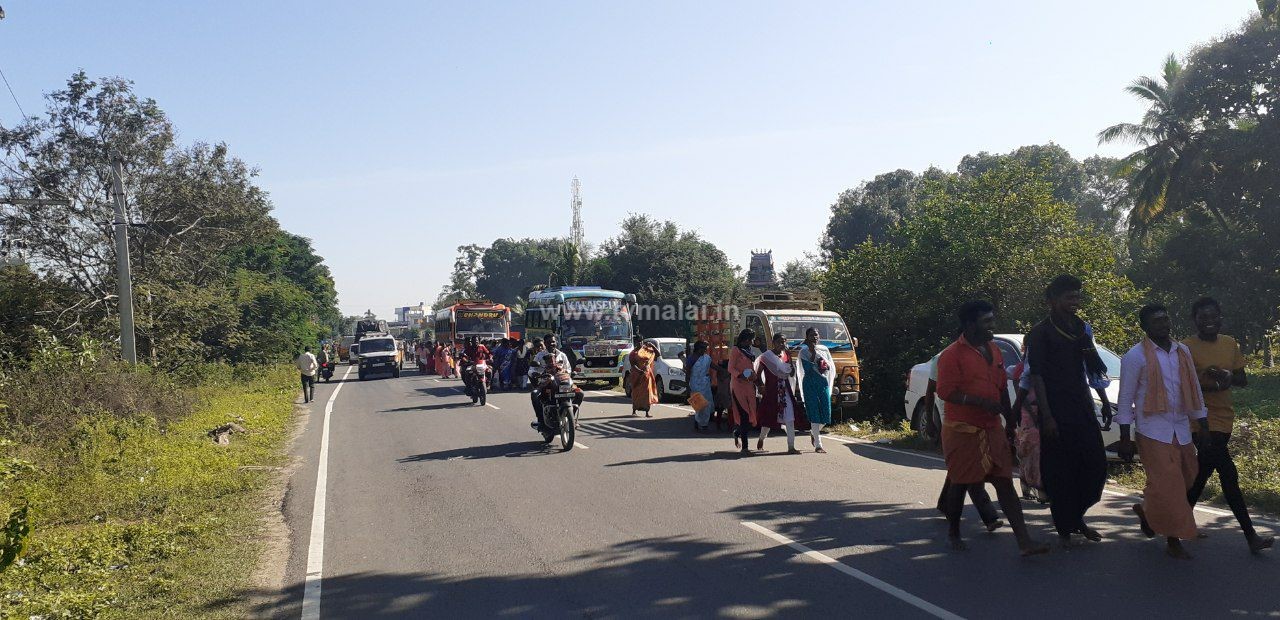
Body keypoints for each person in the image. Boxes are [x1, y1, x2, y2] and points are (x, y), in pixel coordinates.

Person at [936, 300, 1049, 556]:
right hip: (963, 429)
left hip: (991, 427)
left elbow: (1001, 389)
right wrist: (978, 402)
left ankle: (1024, 541)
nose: (992, 326)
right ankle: (953, 533)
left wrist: (1010, 420)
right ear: (969, 324)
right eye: (986, 321)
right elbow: (945, 392)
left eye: (992, 320)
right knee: (960, 483)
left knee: (1005, 484)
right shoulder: (952, 355)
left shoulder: (994, 351)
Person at [1117, 303, 1211, 559]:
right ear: (1145, 327)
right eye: (1157, 321)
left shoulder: (1183, 352)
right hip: (1152, 430)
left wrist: (1202, 423)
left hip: (1180, 427)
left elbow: (1194, 390)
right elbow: (1125, 399)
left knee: (1188, 479)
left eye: (1166, 320)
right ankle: (1173, 540)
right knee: (1169, 485)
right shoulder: (1135, 356)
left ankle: (1148, 514)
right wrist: (1125, 437)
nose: (1164, 325)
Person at [1181, 298, 1274, 554]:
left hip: (1225, 417)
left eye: (1213, 316)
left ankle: (1171, 524)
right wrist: (1209, 384)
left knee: (1201, 475)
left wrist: (1226, 376)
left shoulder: (1230, 342)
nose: (1209, 320)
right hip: (1200, 420)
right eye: (1203, 317)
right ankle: (1251, 536)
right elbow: (1182, 386)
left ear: (1220, 317)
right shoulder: (1185, 348)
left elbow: (1242, 380)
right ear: (1194, 319)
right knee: (1229, 475)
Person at [1025, 274, 1109, 548]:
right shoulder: (1040, 333)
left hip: (1082, 403)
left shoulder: (1082, 328)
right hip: (1055, 407)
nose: (1074, 302)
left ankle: (1076, 516)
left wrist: (1104, 400)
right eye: (1068, 297)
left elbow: (1092, 368)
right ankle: (1067, 524)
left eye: (1077, 296)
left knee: (1095, 465)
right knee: (1061, 469)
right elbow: (1036, 376)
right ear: (1052, 300)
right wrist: (1047, 416)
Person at [926, 348, 1003, 529]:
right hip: (954, 421)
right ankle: (989, 516)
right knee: (970, 466)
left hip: (974, 419)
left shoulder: (979, 355)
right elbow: (931, 391)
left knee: (960, 466)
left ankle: (945, 503)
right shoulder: (943, 358)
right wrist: (930, 420)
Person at [757, 332, 807, 454]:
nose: (782, 344)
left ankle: (791, 446)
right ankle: (761, 438)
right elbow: (758, 374)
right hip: (771, 391)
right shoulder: (766, 357)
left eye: (784, 341)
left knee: (790, 417)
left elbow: (791, 373)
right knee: (769, 417)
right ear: (773, 343)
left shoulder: (786, 356)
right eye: (779, 341)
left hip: (785, 391)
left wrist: (789, 357)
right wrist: (761, 386)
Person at [528, 334, 583, 431]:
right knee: (535, 394)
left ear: (556, 343)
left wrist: (570, 373)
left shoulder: (562, 355)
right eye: (548, 342)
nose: (551, 344)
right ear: (545, 344)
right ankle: (541, 421)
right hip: (546, 382)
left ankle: (572, 419)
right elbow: (531, 369)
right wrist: (535, 373)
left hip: (562, 381)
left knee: (580, 393)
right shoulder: (540, 355)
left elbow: (568, 369)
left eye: (553, 342)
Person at [798, 327, 837, 453]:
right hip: (810, 384)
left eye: (816, 335)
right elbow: (807, 369)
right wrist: (813, 352)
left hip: (823, 384)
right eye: (811, 335)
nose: (814, 337)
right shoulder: (803, 351)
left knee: (826, 415)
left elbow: (830, 366)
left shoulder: (824, 349)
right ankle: (818, 445)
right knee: (814, 412)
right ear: (807, 337)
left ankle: (813, 432)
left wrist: (824, 364)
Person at [729, 329, 761, 455]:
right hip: (738, 385)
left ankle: (737, 432)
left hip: (749, 385)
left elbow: (751, 367)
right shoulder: (735, 350)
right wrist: (740, 375)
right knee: (743, 414)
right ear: (746, 339)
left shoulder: (750, 351)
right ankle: (745, 448)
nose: (752, 342)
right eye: (751, 339)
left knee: (751, 414)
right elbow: (730, 368)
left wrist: (754, 377)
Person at [628, 336, 660, 417]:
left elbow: (658, 354)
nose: (639, 343)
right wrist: (640, 371)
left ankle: (647, 412)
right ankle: (634, 410)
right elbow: (633, 365)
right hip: (637, 376)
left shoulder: (647, 350)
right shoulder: (633, 353)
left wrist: (652, 345)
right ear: (635, 343)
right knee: (636, 392)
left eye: (641, 341)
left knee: (647, 393)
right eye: (637, 342)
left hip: (647, 375)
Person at [687, 341, 714, 432]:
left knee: (707, 404)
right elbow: (688, 373)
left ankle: (701, 423)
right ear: (698, 348)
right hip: (695, 384)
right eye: (703, 348)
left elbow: (713, 366)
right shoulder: (692, 358)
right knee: (699, 405)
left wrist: (724, 371)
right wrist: (687, 386)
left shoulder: (707, 358)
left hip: (705, 383)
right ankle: (703, 425)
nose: (705, 350)